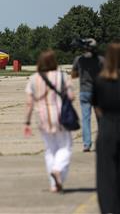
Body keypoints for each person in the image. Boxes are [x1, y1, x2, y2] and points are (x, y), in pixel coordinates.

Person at [24, 50, 75, 192]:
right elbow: (71, 96)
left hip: (42, 117)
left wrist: (27, 122)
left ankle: (54, 185)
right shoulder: (62, 77)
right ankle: (58, 170)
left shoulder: (34, 78)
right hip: (60, 116)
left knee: (50, 150)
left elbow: (29, 103)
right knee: (65, 147)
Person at [92, 43, 120, 213]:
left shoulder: (99, 81)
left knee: (105, 175)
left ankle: (107, 209)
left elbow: (96, 107)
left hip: (107, 128)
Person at [71, 38, 103, 152]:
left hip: (85, 91)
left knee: (85, 119)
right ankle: (102, 142)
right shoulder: (100, 60)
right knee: (100, 119)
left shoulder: (79, 60)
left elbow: (73, 75)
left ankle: (86, 144)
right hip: (98, 92)